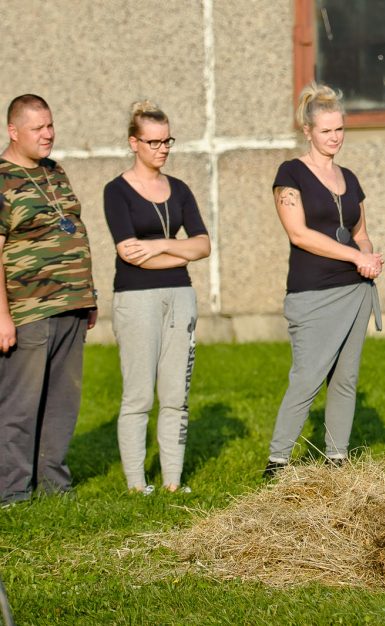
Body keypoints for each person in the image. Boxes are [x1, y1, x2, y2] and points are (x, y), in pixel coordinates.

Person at [264, 82, 383, 478]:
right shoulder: (290, 174)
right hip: (312, 293)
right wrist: (354, 254)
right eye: (326, 130)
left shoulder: (349, 176)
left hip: (355, 291)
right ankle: (277, 462)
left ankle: (336, 459)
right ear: (308, 131)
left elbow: (360, 229)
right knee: (307, 378)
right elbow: (298, 233)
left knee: (345, 380)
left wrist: (368, 256)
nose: (335, 138)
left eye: (340, 130)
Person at [103, 101, 210, 494]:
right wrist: (180, 251)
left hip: (181, 298)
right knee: (137, 395)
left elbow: (204, 245)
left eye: (167, 141)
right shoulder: (116, 191)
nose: (162, 149)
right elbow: (129, 253)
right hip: (136, 300)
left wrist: (160, 246)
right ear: (134, 143)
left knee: (176, 395)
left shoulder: (180, 189)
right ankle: (136, 483)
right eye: (153, 142)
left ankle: (172, 482)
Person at [0, 94, 98, 505]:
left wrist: (88, 296)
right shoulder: (3, 179)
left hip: (71, 305)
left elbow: (72, 229)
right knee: (20, 406)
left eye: (51, 125)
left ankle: (54, 483)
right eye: (38, 128)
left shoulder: (55, 171)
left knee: (62, 401)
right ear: (13, 131)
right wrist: (2, 316)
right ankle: (12, 491)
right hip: (29, 309)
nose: (48, 134)